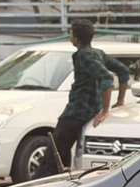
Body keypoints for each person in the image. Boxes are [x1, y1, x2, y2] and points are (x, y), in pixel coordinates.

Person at [42, 20, 130, 175]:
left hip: (77, 112)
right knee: (67, 154)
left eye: (70, 33)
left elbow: (107, 78)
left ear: (75, 38)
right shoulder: (98, 53)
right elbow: (123, 71)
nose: (69, 36)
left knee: (53, 156)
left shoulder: (84, 55)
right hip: (89, 111)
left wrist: (105, 110)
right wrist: (120, 100)